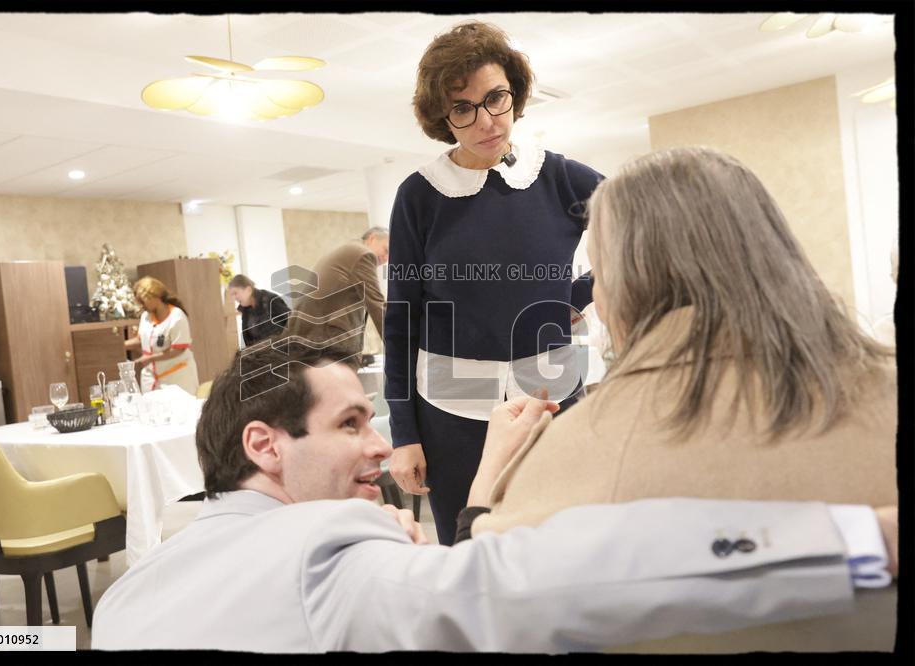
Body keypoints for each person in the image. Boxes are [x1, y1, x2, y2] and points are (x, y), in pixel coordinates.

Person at [91, 343, 895, 652]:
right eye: (350, 424)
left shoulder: (129, 591)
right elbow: (547, 579)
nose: (379, 446)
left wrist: (481, 488)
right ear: (265, 445)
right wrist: (857, 542)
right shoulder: (323, 557)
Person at [458, 147, 898, 649]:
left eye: (598, 274)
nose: (595, 296)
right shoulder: (884, 396)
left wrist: (488, 487)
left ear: (626, 282)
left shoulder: (568, 457)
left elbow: (479, 604)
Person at [385, 21, 603, 545]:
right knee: (470, 546)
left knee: (561, 538)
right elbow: (401, 318)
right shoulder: (420, 196)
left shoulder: (558, 177)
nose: (486, 121)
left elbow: (644, 224)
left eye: (496, 98)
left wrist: (573, 297)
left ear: (515, 94)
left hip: (550, 393)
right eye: (463, 108)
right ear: (442, 116)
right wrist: (404, 434)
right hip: (451, 408)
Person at [282, 227, 388, 354]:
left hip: (307, 335)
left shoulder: (349, 249)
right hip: (321, 339)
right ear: (372, 238)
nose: (386, 258)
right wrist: (400, 348)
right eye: (386, 250)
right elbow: (377, 304)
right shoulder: (363, 254)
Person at [126, 277, 200, 395]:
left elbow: (178, 349)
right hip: (151, 379)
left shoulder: (177, 317)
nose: (141, 306)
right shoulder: (146, 316)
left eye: (143, 302)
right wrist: (121, 345)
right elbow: (142, 340)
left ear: (154, 297)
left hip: (177, 377)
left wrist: (150, 358)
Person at [227, 274, 291, 348]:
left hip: (284, 350)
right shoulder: (245, 310)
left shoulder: (270, 300)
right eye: (232, 295)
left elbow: (293, 321)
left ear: (248, 290)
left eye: (235, 293)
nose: (234, 298)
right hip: (264, 353)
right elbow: (249, 341)